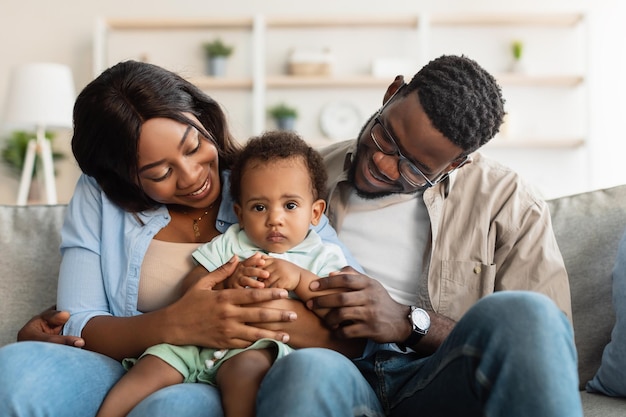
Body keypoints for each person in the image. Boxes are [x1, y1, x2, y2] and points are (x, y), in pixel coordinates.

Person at [2, 54, 583, 417]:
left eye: (415, 167)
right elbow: (81, 318)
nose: (384, 166)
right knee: (306, 372)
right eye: (385, 140)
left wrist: (410, 322)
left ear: (456, 166)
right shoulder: (296, 170)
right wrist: (167, 324)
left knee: (526, 314)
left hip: (409, 366)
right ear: (388, 94)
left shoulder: (508, 203)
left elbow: (545, 347)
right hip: (300, 367)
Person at [0, 60, 381, 417]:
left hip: (249, 363)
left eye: (194, 146)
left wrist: (242, 313)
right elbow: (78, 321)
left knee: (172, 408)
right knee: (15, 369)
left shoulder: (266, 186)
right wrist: (178, 323)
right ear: (123, 177)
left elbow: (357, 326)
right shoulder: (99, 194)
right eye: (159, 171)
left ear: (203, 120)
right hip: (150, 359)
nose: (192, 177)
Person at [97, 130, 361, 417]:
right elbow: (193, 284)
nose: (275, 218)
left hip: (251, 348)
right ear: (240, 212)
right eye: (259, 207)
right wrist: (226, 281)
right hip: (194, 343)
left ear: (315, 212)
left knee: (246, 373)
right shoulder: (232, 241)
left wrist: (299, 277)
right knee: (148, 370)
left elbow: (336, 306)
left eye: (290, 205)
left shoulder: (322, 255)